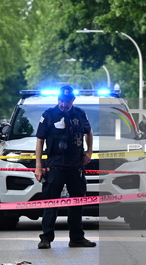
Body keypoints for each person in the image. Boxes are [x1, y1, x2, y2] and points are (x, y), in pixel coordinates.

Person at [34, 85, 97, 249]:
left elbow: (88, 132)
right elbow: (40, 140)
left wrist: (89, 152)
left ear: (73, 100)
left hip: (76, 165)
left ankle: (76, 238)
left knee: (77, 203)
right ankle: (46, 238)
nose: (64, 104)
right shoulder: (49, 114)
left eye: (67, 102)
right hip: (55, 165)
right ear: (58, 99)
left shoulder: (80, 114)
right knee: (51, 203)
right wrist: (38, 166)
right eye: (61, 101)